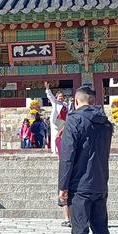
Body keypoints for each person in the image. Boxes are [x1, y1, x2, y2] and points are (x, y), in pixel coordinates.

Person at [56, 86, 114, 234]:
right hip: (100, 183)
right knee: (102, 231)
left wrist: (63, 186)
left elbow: (67, 155)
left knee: (80, 230)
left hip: (80, 185)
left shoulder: (74, 120)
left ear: (77, 102)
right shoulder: (106, 123)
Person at [46, 82, 73, 226]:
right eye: (60, 96)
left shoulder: (67, 106)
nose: (61, 98)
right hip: (57, 122)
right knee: (56, 138)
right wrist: (47, 89)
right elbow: (50, 97)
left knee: (64, 140)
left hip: (65, 122)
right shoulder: (55, 103)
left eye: (63, 96)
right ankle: (56, 153)